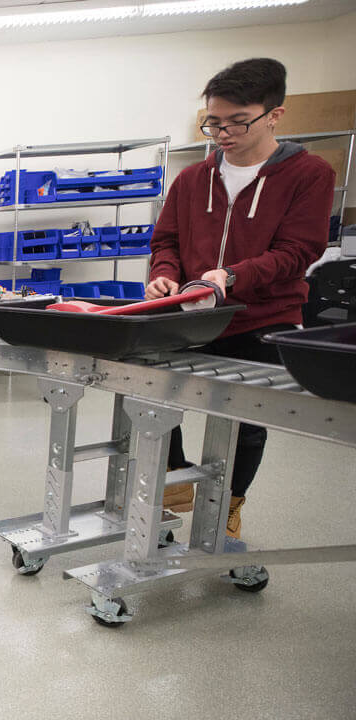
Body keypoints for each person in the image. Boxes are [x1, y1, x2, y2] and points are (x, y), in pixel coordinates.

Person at [149, 58, 333, 538]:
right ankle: (172, 487)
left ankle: (225, 508)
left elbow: (300, 250)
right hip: (188, 317)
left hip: (263, 317)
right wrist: (166, 276)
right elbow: (165, 241)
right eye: (214, 121)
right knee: (150, 394)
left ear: (275, 115)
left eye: (237, 122)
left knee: (244, 422)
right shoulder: (192, 179)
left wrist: (232, 276)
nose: (222, 133)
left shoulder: (309, 174)